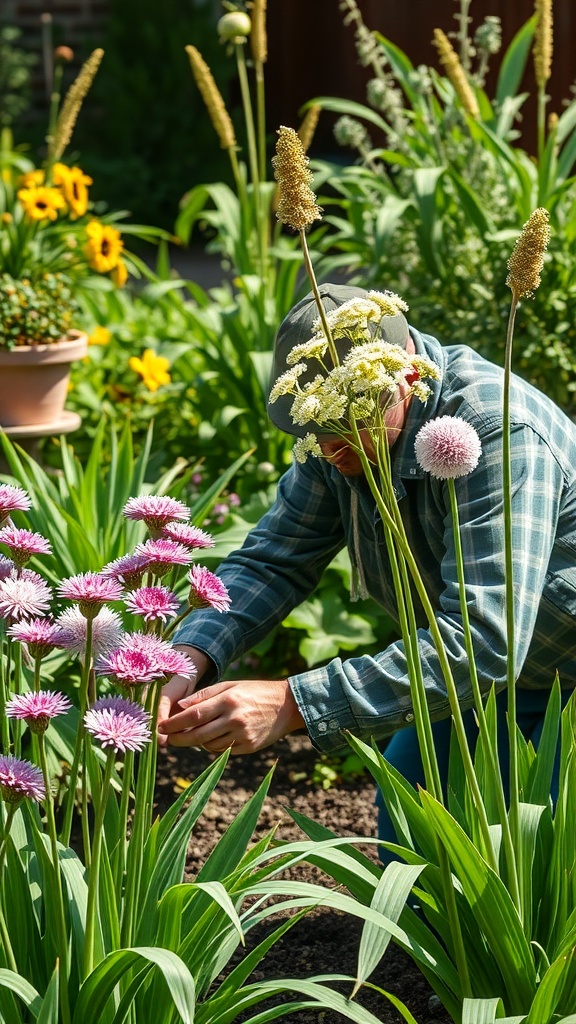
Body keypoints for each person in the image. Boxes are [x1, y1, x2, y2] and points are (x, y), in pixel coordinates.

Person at [157, 282, 576, 845]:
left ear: (406, 375)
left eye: (348, 430)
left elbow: (485, 641)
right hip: (482, 678)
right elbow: (274, 559)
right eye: (318, 433)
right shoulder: (339, 425)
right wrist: (189, 653)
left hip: (559, 674)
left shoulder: (497, 432)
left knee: (531, 870)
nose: (332, 453)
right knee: (411, 814)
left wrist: (292, 702)